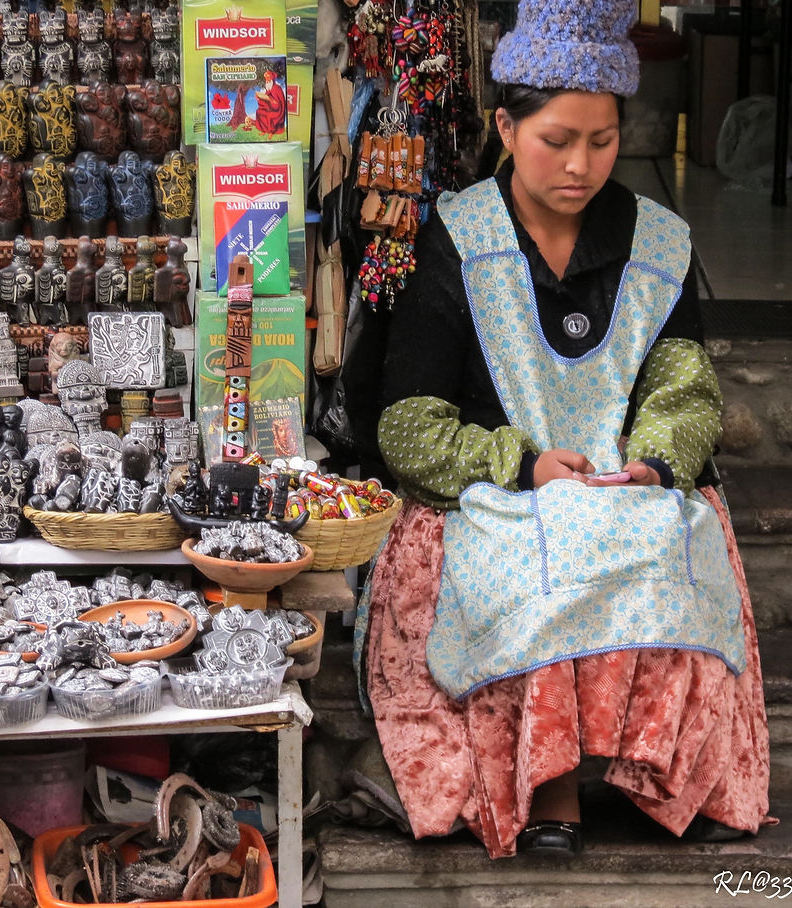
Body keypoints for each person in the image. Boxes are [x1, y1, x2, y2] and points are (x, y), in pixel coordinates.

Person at [356, 0, 771, 859]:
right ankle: (550, 786)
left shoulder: (656, 241)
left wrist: (658, 463)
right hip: (494, 495)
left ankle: (647, 768)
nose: (581, 165)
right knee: (545, 546)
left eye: (604, 141)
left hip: (625, 491)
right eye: (556, 141)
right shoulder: (457, 240)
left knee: (656, 537)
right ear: (506, 127)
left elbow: (683, 386)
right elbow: (408, 426)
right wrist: (519, 462)